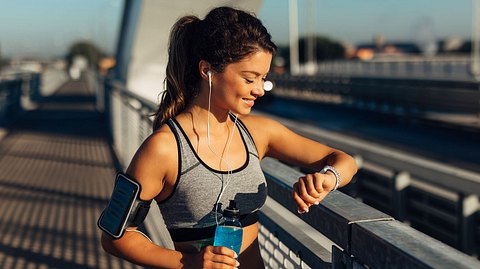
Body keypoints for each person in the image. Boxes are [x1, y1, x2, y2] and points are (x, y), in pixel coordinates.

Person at [100, 6, 358, 269]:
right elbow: (114, 236)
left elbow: (344, 160)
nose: (259, 90)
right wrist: (190, 263)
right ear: (207, 70)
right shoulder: (164, 149)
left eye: (264, 78)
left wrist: (327, 178)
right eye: (250, 78)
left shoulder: (258, 133)